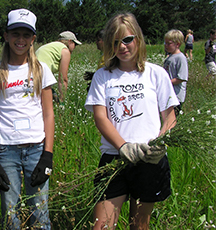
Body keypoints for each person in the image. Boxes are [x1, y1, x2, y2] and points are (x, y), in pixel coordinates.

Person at [84, 12, 179, 230]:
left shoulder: (156, 73)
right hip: (114, 158)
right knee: (102, 226)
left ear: (138, 38)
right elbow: (100, 117)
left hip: (149, 159)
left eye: (127, 39)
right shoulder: (102, 76)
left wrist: (160, 143)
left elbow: (169, 116)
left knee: (139, 226)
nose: (122, 46)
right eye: (115, 42)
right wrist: (123, 146)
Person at [0, 8, 56, 230]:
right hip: (6, 150)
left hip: (36, 148)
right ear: (6, 36)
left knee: (40, 212)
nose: (20, 40)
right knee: (10, 212)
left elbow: (48, 113)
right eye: (15, 34)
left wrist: (48, 155)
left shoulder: (41, 70)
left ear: (33, 38)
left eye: (26, 35)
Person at [36, 30, 81, 102]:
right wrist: (62, 101)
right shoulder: (65, 51)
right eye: (75, 44)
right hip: (40, 78)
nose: (75, 47)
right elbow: (63, 79)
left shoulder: (50, 46)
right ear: (70, 42)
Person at [163, 29, 189, 116]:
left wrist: (166, 83)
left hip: (176, 95)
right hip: (168, 94)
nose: (165, 45)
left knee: (173, 118)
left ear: (177, 44)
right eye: (165, 43)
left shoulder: (180, 58)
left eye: (168, 43)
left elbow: (181, 78)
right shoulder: (170, 57)